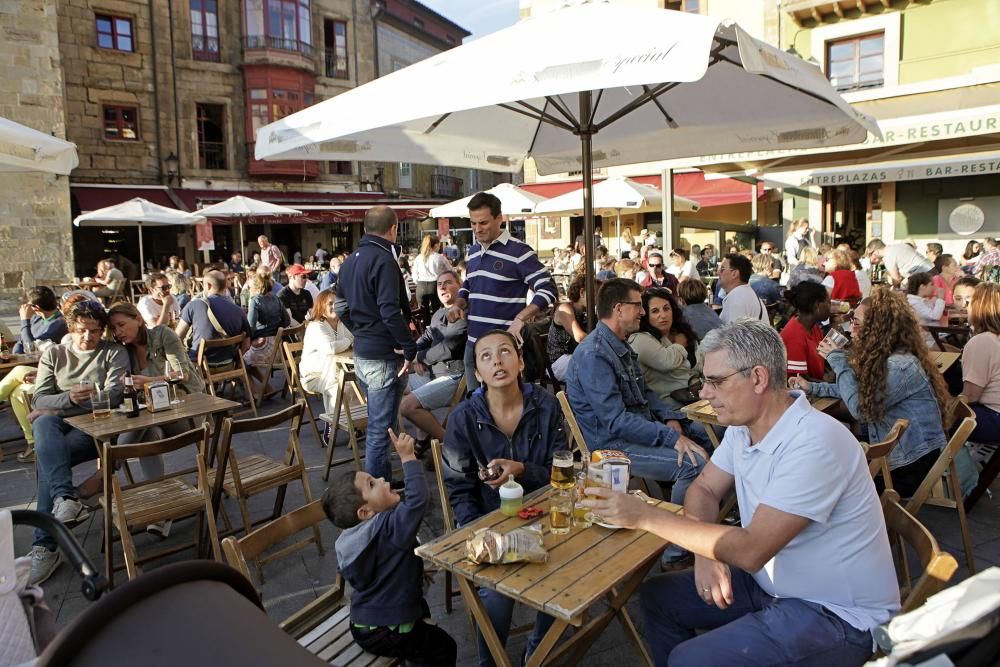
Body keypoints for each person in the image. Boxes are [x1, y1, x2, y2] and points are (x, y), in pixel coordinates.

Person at [585, 319, 899, 667]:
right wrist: (706, 555)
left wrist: (644, 515)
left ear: (759, 378)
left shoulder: (816, 443)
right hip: (772, 584)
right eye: (703, 381)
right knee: (659, 597)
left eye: (715, 382)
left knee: (690, 660)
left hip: (838, 615)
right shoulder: (746, 426)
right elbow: (704, 488)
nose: (704, 393)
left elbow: (751, 551)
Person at [442, 330, 563, 666]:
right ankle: (490, 661)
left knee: (565, 578)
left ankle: (536, 651)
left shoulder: (546, 405)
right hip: (487, 522)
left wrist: (522, 469)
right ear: (478, 374)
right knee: (496, 593)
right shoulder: (464, 418)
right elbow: (460, 488)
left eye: (505, 352)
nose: (497, 360)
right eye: (486, 356)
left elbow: (560, 471)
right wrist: (476, 531)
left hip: (544, 515)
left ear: (520, 361)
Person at [790, 288, 950, 496]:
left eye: (856, 323)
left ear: (876, 329)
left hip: (908, 467)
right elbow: (858, 391)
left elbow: (860, 408)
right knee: (820, 461)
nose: (850, 330)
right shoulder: (890, 359)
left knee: (819, 476)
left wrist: (837, 360)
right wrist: (813, 387)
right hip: (900, 457)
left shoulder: (899, 366)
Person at [566, 279, 707, 504]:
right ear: (619, 309)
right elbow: (615, 422)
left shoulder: (617, 344)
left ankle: (713, 512)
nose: (642, 312)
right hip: (613, 445)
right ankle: (676, 534)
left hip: (638, 430)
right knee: (693, 465)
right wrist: (670, 437)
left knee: (710, 434)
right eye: (638, 305)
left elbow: (646, 392)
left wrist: (669, 417)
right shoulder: (594, 355)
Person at [326, 429, 457, 666]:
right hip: (390, 629)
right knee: (444, 647)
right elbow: (418, 500)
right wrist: (408, 458)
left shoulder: (350, 539)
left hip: (364, 622)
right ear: (365, 512)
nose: (383, 480)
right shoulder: (387, 528)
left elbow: (381, 571)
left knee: (421, 614)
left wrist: (413, 571)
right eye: (373, 483)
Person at [24, 301, 129, 585]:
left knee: (47, 455)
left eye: (95, 331)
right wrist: (68, 399)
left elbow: (115, 396)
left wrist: (58, 409)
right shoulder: (55, 354)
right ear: (71, 328)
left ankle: (45, 545)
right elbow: (39, 400)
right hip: (58, 428)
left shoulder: (113, 353)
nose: (88, 337)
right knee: (44, 424)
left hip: (95, 430)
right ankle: (65, 499)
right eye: (82, 330)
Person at [446, 192, 557, 391]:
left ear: (499, 219)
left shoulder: (520, 252)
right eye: (473, 223)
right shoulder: (473, 252)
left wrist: (521, 318)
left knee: (504, 410)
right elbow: (469, 284)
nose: (477, 229)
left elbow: (548, 289)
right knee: (478, 408)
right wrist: (457, 304)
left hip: (501, 348)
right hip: (473, 344)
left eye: (483, 223)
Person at [336, 206, 416, 483]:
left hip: (365, 351)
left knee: (383, 426)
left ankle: (382, 484)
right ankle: (378, 491)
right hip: (382, 353)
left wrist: (362, 330)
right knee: (380, 430)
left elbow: (340, 307)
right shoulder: (383, 259)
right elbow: (389, 311)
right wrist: (408, 346)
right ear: (393, 229)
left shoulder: (348, 262)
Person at [399, 270, 467, 446]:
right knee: (395, 384)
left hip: (454, 376)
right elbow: (426, 337)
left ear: (460, 287)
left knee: (407, 406)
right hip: (433, 373)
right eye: (439, 284)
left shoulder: (463, 312)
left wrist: (419, 357)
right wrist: (414, 354)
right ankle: (423, 440)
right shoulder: (438, 313)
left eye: (448, 282)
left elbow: (449, 347)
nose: (443, 287)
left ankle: (448, 443)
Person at [628, 287, 701, 408]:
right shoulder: (639, 339)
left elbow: (697, 365)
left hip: (697, 397)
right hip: (670, 409)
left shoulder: (681, 332)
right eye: (655, 311)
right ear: (646, 315)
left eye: (666, 308)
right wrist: (679, 345)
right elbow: (667, 362)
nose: (663, 315)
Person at [175, 270, 251, 369]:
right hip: (228, 364)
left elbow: (177, 337)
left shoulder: (194, 305)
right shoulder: (239, 310)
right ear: (225, 286)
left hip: (200, 366)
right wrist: (237, 362)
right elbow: (247, 343)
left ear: (208, 286)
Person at [299, 289, 354, 425]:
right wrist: (348, 341)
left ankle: (355, 424)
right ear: (321, 306)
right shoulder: (316, 326)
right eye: (330, 303)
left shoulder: (342, 323)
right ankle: (332, 424)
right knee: (338, 389)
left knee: (356, 386)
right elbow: (330, 348)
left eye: (337, 303)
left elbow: (355, 337)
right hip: (314, 376)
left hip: (338, 371)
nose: (334, 306)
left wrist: (348, 341)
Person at [962, 282, 1000, 444]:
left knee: (936, 419)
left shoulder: (982, 342)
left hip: (994, 418)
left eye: (969, 302)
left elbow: (970, 396)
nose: (966, 307)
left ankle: (961, 469)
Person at [545, 275, 593, 382]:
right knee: (595, 363)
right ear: (582, 293)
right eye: (597, 293)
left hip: (573, 357)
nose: (599, 298)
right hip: (558, 363)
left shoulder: (585, 313)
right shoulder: (565, 309)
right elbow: (580, 337)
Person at [244, 271, 291, 379]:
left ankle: (258, 391)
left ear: (254, 288)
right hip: (280, 346)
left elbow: (250, 327)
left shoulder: (255, 301)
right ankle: (264, 389)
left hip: (265, 346)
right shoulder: (276, 299)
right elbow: (287, 321)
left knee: (241, 362)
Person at [780, 281, 830, 379]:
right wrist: (829, 385)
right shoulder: (795, 335)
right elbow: (800, 381)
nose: (830, 307)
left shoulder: (814, 327)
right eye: (828, 302)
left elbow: (823, 358)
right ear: (817, 306)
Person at [15, 286, 67, 354]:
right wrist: (16, 355)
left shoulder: (59, 325)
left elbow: (32, 349)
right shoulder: (36, 318)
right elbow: (20, 341)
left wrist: (25, 321)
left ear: (36, 307)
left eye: (27, 306)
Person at [411, 234, 452, 323]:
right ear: (436, 245)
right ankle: (438, 331)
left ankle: (427, 331)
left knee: (424, 313)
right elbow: (450, 271)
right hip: (435, 285)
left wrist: (418, 282)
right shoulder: (439, 257)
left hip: (421, 286)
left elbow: (414, 275)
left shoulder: (418, 258)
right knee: (437, 311)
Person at [718, 254, 768, 325]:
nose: (718, 272)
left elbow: (734, 334)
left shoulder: (737, 299)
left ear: (734, 274)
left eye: (722, 269)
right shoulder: (743, 293)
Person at [866, 239, 933, 287]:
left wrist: (889, 287)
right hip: (931, 270)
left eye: (870, 254)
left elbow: (896, 279)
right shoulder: (897, 246)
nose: (870, 258)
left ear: (876, 251)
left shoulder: (888, 256)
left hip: (924, 276)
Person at [906, 272, 946, 348]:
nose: (934, 288)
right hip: (924, 343)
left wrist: (936, 299)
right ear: (922, 286)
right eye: (931, 284)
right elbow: (935, 316)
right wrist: (940, 299)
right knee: (955, 352)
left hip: (932, 338)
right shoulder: (913, 303)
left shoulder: (920, 301)